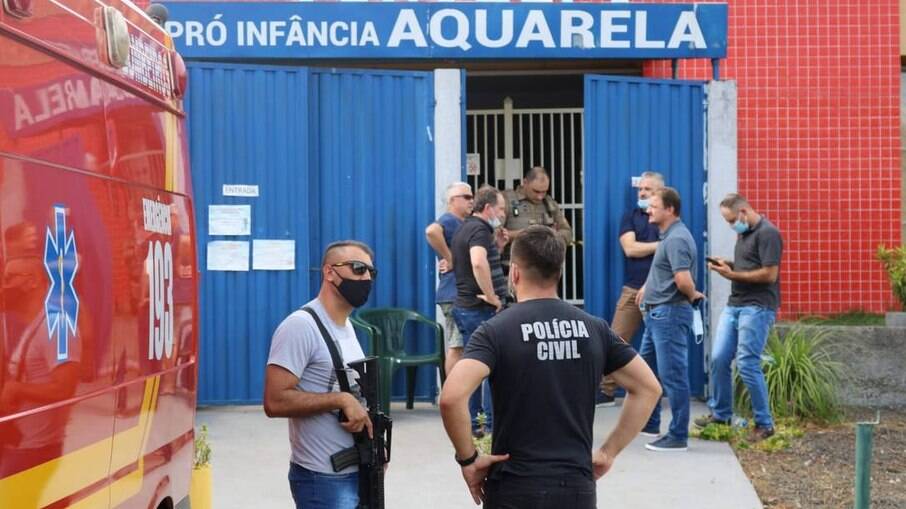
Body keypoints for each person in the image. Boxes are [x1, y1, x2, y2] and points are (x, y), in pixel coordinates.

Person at [439, 225, 662, 508]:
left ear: (514, 273)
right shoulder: (594, 329)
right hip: (575, 487)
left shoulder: (495, 331)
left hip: (515, 485)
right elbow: (648, 388)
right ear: (559, 272)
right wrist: (608, 452)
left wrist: (469, 459)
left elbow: (451, 397)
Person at [263, 240, 378, 509]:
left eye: (372, 272)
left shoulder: (347, 326)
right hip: (323, 479)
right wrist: (339, 400)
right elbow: (274, 401)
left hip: (356, 469)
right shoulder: (300, 326)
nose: (366, 277)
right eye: (358, 268)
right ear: (329, 272)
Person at [695, 193, 783, 441]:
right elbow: (750, 265)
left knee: (746, 362)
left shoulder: (768, 233)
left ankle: (764, 424)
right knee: (719, 358)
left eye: (732, 219)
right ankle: (721, 413)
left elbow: (769, 275)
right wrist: (729, 264)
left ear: (744, 211)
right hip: (735, 306)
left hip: (757, 307)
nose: (731, 224)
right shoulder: (744, 233)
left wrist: (730, 275)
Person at [635, 187, 704, 452]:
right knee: (647, 373)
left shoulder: (676, 239)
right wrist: (648, 287)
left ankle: (677, 436)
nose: (648, 210)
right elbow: (664, 272)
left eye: (653, 205)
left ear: (670, 209)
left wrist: (693, 293)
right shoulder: (668, 237)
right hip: (657, 315)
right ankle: (651, 423)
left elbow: (682, 279)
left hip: (669, 315)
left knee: (673, 375)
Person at [598, 171, 665, 407]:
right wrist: (660, 245)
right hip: (632, 289)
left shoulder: (666, 218)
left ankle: (657, 392)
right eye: (641, 189)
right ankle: (606, 390)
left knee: (662, 344)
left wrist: (657, 248)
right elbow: (630, 249)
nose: (643, 193)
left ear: (661, 193)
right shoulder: (630, 216)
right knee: (614, 339)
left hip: (662, 293)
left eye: (649, 189)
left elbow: (672, 252)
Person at [451, 185, 509, 438]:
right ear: (488, 208)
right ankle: (491, 426)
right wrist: (492, 295)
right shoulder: (479, 229)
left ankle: (475, 425)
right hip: (478, 309)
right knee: (491, 369)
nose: (504, 213)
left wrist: (499, 246)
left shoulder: (467, 227)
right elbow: (477, 261)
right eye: (501, 208)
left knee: (475, 366)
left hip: (467, 308)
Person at [425, 182, 474, 378]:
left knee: (462, 346)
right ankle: (453, 396)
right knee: (457, 347)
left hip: (459, 293)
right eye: (467, 197)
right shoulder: (449, 219)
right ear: (453, 200)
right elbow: (431, 231)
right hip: (454, 294)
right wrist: (450, 258)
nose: (472, 200)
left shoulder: (463, 223)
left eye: (472, 196)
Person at [502, 166, 573, 272]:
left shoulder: (549, 203)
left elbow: (568, 233)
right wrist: (524, 234)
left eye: (544, 192)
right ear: (525, 182)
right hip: (514, 270)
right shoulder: (506, 200)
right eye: (536, 191)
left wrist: (551, 236)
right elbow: (494, 235)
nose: (540, 196)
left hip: (544, 270)